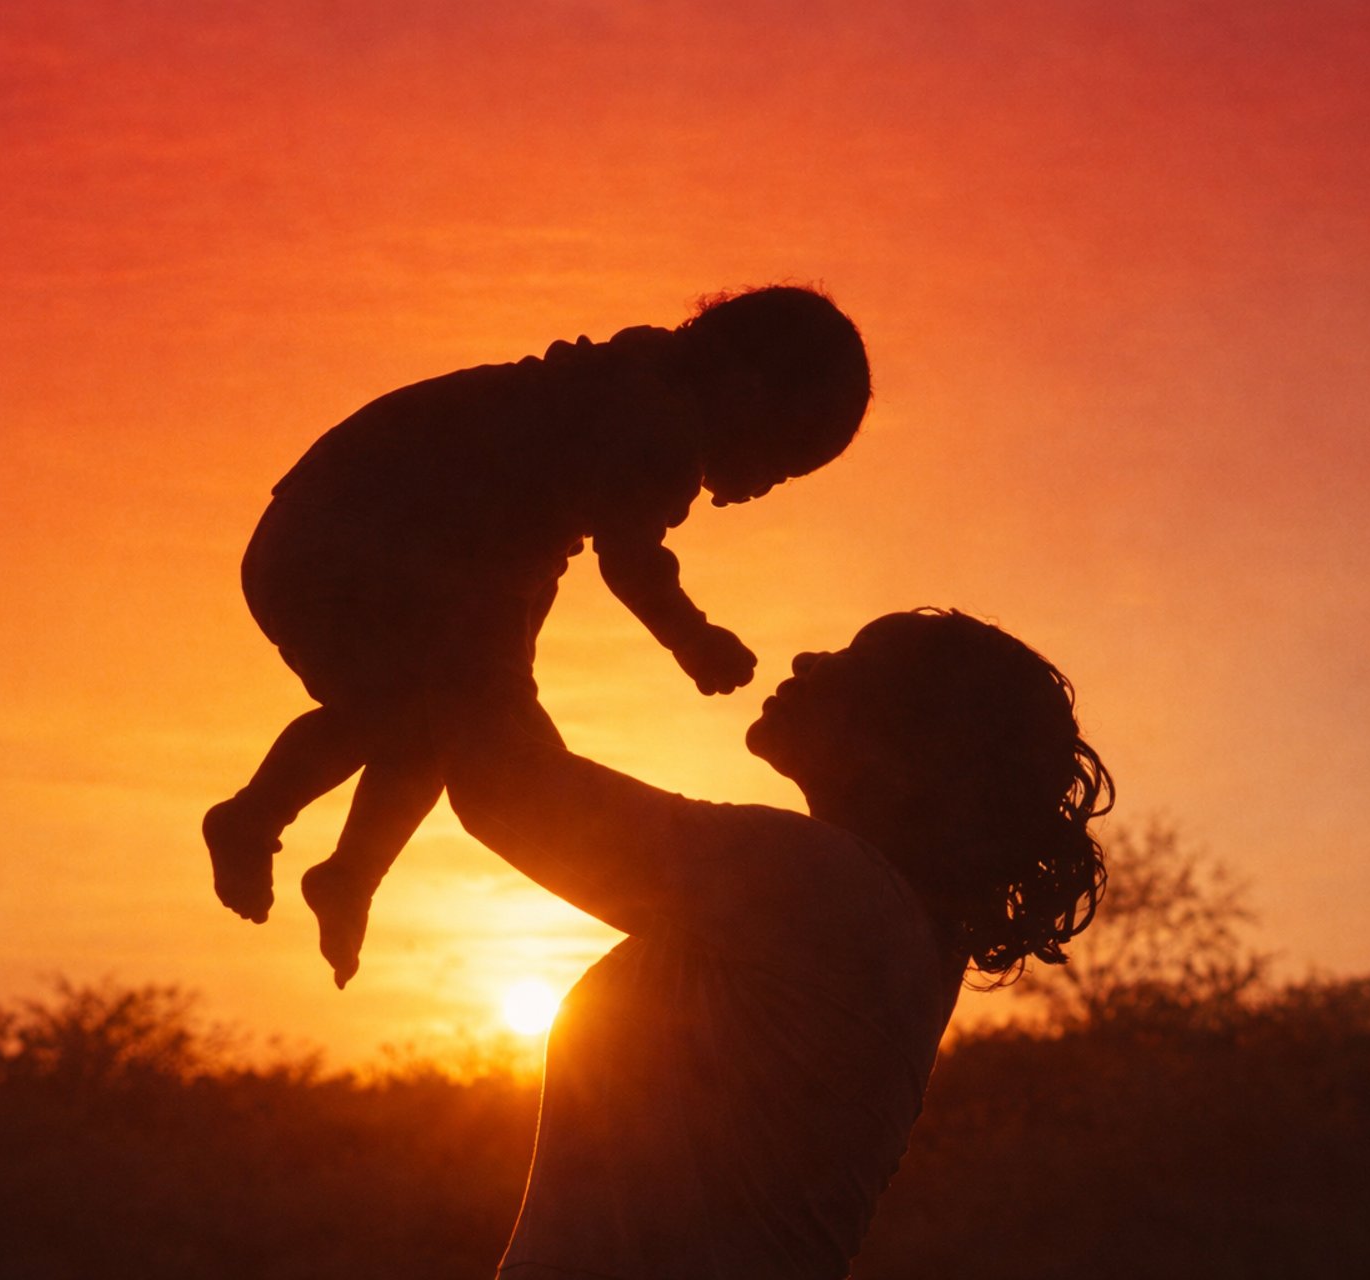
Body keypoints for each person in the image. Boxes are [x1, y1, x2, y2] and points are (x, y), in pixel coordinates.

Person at [203, 286, 873, 987]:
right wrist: (693, 637)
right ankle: (259, 819)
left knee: (433, 723)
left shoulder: (618, 388)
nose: (762, 488)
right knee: (433, 720)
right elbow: (630, 560)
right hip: (359, 541)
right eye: (779, 463)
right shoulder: (654, 422)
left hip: (345, 532)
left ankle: (346, 872)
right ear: (747, 391)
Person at [430, 608, 1112, 1279]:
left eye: (858, 656)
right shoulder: (881, 922)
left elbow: (504, 786)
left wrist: (499, 587)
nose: (810, 659)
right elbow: (533, 770)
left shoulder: (825, 888)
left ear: (915, 740)